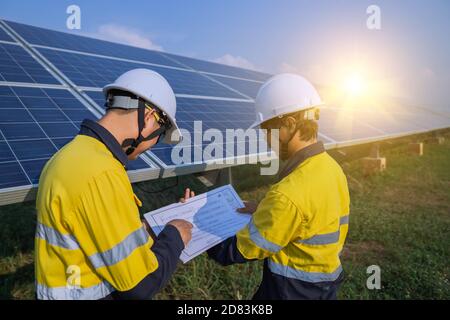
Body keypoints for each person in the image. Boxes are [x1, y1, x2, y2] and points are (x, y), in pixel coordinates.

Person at [35, 68, 193, 300]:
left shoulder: (70, 155)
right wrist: (175, 235)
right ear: (149, 118)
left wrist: (150, 227)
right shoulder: (102, 173)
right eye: (158, 136)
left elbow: (92, 231)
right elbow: (140, 285)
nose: (151, 146)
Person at [203, 73, 351, 300]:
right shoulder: (332, 168)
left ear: (289, 124)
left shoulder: (288, 194)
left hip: (291, 291)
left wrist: (196, 227)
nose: (266, 139)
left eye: (267, 130)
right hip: (324, 285)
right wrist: (266, 209)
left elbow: (237, 250)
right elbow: (309, 216)